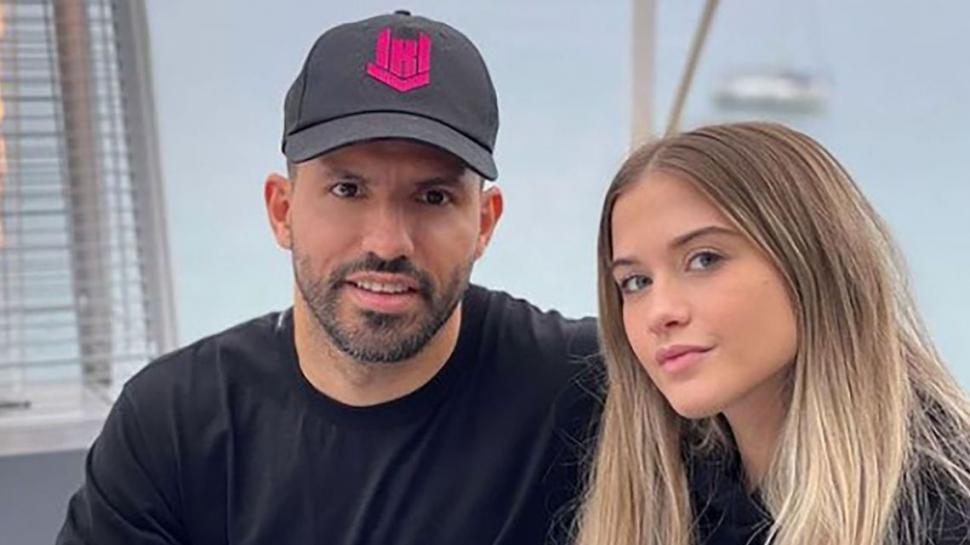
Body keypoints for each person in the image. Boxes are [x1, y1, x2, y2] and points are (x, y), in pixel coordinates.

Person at [57, 11, 599, 545]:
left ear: (484, 223)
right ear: (282, 210)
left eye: (433, 197)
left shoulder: (588, 389)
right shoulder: (172, 426)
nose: (387, 243)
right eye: (348, 190)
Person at [576, 122, 970, 545]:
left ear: (813, 260)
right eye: (636, 282)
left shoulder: (945, 509)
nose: (660, 313)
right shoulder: (664, 495)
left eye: (704, 259)